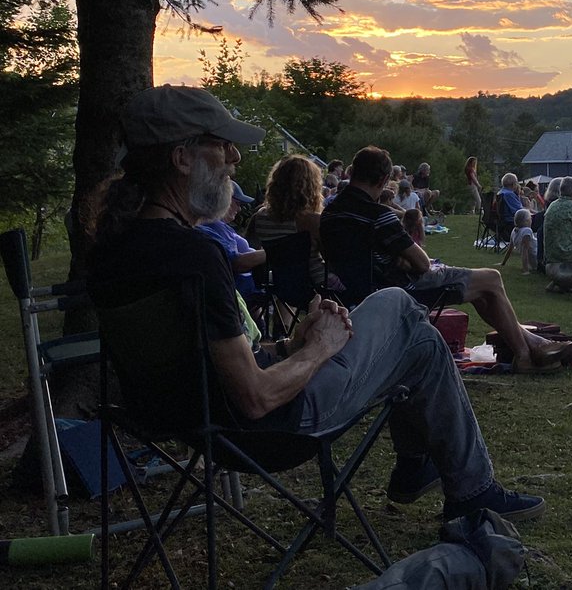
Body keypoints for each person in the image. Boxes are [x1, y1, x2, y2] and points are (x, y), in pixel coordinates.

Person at [88, 85, 545, 522]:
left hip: (191, 426)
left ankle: (423, 471)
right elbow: (255, 397)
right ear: (182, 157)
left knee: (418, 340)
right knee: (402, 310)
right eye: (222, 145)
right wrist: (318, 349)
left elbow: (206, 367)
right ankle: (461, 487)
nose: (235, 157)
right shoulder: (192, 257)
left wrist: (290, 344)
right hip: (275, 430)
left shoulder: (111, 252)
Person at [321, 146, 572, 373]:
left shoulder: (330, 213)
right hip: (401, 292)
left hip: (355, 295)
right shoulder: (378, 215)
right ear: (384, 180)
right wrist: (404, 258)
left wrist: (397, 257)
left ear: (353, 174)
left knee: (483, 290)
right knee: (492, 279)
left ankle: (531, 345)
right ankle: (526, 354)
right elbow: (422, 263)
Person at [247, 155, 338, 293]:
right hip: (316, 285)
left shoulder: (259, 217)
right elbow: (331, 259)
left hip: (280, 285)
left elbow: (251, 250)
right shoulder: (312, 221)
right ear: (311, 187)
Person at [197, 181, 264, 302]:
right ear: (224, 200)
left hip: (247, 283)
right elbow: (236, 262)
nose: (239, 209)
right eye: (237, 203)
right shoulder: (213, 225)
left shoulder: (220, 226)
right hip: (243, 286)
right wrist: (275, 251)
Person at [511, 208, 537, 274]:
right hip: (536, 260)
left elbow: (510, 248)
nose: (531, 220)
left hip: (532, 262)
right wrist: (526, 270)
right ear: (526, 221)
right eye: (530, 218)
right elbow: (525, 251)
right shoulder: (527, 231)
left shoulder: (514, 231)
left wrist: (503, 263)